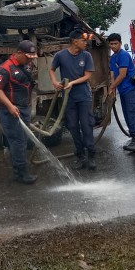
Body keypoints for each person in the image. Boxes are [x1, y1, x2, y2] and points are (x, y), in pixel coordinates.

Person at [0, 40, 38, 184]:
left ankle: (18, 169)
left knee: (22, 140)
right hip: (9, 110)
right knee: (18, 141)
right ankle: (21, 173)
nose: (29, 60)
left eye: (31, 57)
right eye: (27, 57)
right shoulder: (5, 69)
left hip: (23, 108)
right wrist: (10, 106)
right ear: (18, 53)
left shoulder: (27, 65)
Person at [49, 29, 96, 170]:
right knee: (73, 126)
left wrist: (72, 83)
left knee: (86, 125)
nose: (85, 43)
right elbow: (51, 69)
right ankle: (80, 156)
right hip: (68, 98)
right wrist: (55, 83)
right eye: (83, 40)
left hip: (83, 96)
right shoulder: (60, 55)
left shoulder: (86, 55)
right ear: (75, 41)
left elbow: (88, 75)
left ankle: (91, 156)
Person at [107, 33, 135, 152]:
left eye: (115, 43)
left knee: (132, 115)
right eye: (111, 44)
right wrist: (112, 89)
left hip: (131, 89)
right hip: (123, 91)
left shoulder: (123, 55)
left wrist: (112, 87)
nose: (113, 46)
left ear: (120, 43)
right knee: (127, 115)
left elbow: (122, 75)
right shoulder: (112, 58)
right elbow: (112, 73)